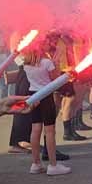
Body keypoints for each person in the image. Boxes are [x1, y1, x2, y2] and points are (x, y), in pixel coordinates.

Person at [22, 45, 71, 176]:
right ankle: (53, 165)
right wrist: (56, 65)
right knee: (49, 130)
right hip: (46, 95)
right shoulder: (46, 62)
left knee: (35, 128)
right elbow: (55, 80)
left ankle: (36, 163)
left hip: (33, 95)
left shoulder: (26, 63)